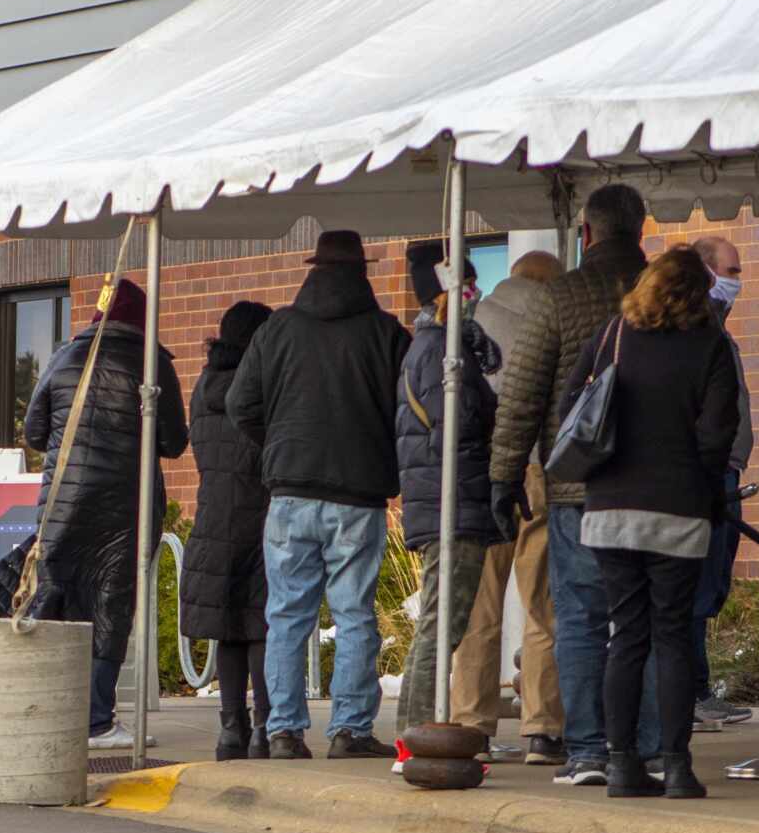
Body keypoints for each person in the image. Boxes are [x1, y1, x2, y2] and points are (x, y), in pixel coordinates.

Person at [489, 184, 655, 786]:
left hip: (575, 489)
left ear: (586, 233)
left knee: (580, 618)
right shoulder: (670, 294)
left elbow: (523, 395)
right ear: (640, 230)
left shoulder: (560, 296)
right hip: (658, 490)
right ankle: (652, 744)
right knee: (653, 619)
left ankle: (587, 750)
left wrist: (504, 476)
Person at [560, 246, 738, 799]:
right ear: (699, 293)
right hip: (678, 511)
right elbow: (718, 435)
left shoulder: (614, 333)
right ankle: (677, 767)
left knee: (625, 635)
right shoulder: (710, 345)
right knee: (673, 636)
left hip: (610, 509)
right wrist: (705, 493)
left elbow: (572, 403)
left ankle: (619, 766)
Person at [227, 230, 411, 760]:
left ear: (312, 270)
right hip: (358, 492)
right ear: (363, 271)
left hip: (289, 491)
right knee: (354, 613)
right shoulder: (385, 333)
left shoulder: (277, 329)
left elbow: (242, 405)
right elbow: (411, 410)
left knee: (286, 614)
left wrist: (280, 447)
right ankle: (350, 731)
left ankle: (283, 731)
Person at [23, 277, 189, 750]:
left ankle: (51, 710)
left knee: (58, 600)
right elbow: (174, 442)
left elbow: (34, 433)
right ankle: (96, 720)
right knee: (110, 606)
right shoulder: (152, 364)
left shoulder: (63, 356)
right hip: (124, 508)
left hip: (62, 503)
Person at [451, 251, 567, 766]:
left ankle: (471, 724)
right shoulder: (558, 323)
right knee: (544, 603)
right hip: (541, 468)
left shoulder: (474, 322)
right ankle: (542, 728)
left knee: (479, 603)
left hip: (480, 472)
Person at [392, 245, 500, 765]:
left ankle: (413, 734)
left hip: (447, 501)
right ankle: (413, 737)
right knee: (442, 624)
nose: (475, 298)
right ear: (444, 295)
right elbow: (455, 424)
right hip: (451, 503)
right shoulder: (438, 352)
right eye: (468, 289)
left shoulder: (440, 346)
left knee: (443, 622)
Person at [180, 301, 274, 761]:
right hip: (260, 512)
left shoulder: (204, 386)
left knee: (229, 629)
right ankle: (264, 729)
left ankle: (230, 730)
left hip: (213, 515)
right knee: (260, 624)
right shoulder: (262, 387)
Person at [688, 235, 753, 726]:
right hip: (710, 474)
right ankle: (693, 692)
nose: (738, 279)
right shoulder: (702, 327)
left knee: (708, 584)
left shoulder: (715, 327)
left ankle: (695, 689)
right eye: (731, 269)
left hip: (723, 470)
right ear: (707, 273)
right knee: (698, 584)